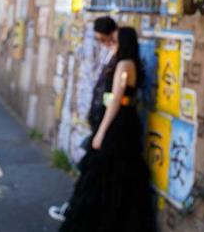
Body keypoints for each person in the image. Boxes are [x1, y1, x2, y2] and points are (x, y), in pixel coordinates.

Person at [58, 26, 158, 232]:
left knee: (102, 167)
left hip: (117, 121)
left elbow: (115, 101)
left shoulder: (123, 65)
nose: (112, 44)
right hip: (128, 120)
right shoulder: (132, 64)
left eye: (116, 40)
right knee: (120, 171)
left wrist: (101, 131)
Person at [48, 16, 119, 222]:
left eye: (103, 39)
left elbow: (115, 97)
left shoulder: (120, 58)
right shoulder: (112, 54)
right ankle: (78, 210)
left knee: (90, 171)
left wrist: (102, 130)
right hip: (102, 122)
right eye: (99, 40)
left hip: (107, 125)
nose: (102, 44)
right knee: (93, 172)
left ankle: (74, 211)